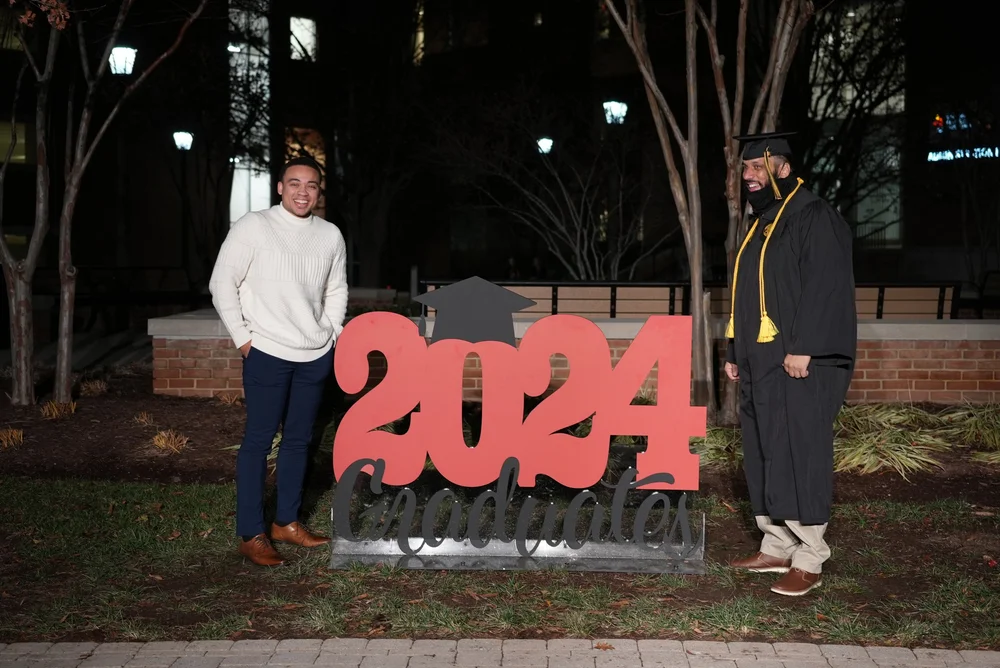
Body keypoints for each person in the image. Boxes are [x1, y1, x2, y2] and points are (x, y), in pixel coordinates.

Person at [723, 131, 857, 596]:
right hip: (760, 360)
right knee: (765, 448)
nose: (748, 177)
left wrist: (808, 348)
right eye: (744, 170)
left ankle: (811, 556)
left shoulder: (814, 217)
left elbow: (827, 288)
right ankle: (776, 543)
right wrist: (734, 350)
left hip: (800, 360)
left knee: (800, 448)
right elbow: (749, 291)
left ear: (781, 167)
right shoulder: (764, 222)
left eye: (756, 168)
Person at [209, 156, 349, 567]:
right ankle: (251, 532)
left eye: (311, 185)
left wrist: (331, 334)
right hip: (266, 351)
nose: (302, 191)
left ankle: (286, 522)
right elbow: (222, 283)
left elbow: (336, 289)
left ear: (319, 192)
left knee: (299, 441)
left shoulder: (330, 235)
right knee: (257, 441)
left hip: (314, 354)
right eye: (294, 183)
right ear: (280, 187)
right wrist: (244, 340)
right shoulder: (254, 225)